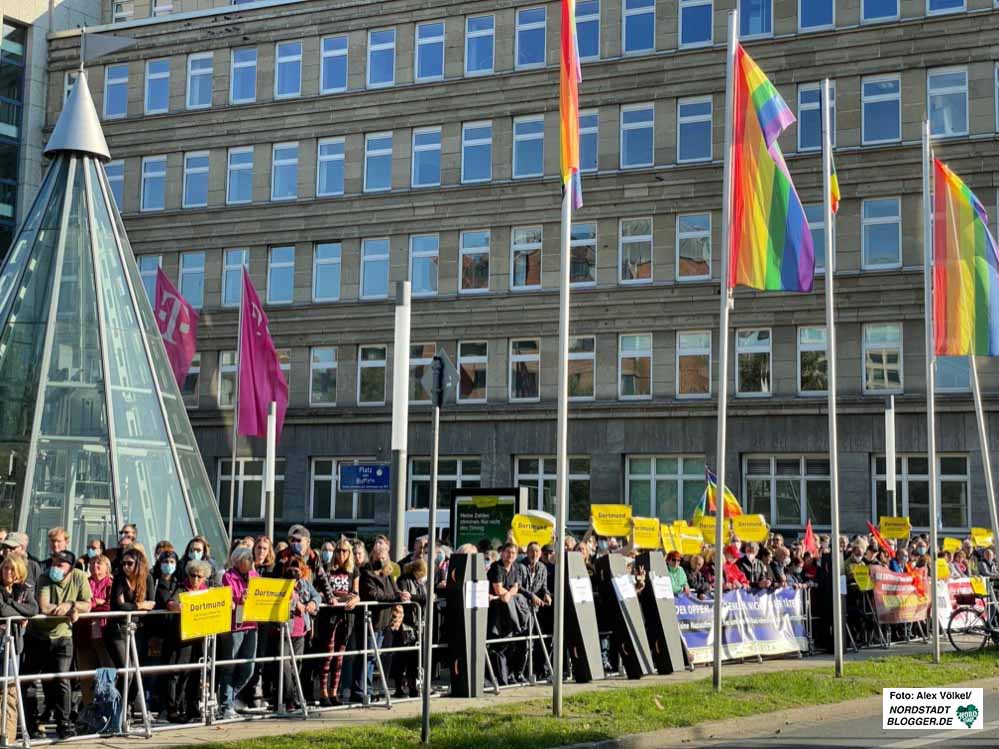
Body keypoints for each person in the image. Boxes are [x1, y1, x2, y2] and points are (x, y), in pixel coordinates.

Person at [24, 550, 92, 739]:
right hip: (38, 636)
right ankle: (31, 722)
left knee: (63, 679)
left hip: (63, 636)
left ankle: (64, 723)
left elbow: (88, 604)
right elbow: (44, 606)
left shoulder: (79, 576)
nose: (55, 567)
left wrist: (71, 605)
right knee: (29, 680)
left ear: (71, 568)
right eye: (54, 563)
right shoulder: (45, 577)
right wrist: (68, 610)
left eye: (60, 564)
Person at [354, 539, 405, 702]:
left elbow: (395, 591)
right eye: (379, 556)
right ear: (373, 556)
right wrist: (394, 598)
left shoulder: (388, 573)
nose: (382, 559)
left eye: (384, 556)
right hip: (371, 620)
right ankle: (361, 691)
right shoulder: (366, 572)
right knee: (367, 656)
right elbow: (373, 595)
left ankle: (368, 689)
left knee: (374, 657)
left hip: (384, 621)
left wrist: (402, 595)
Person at [106, 546, 155, 710]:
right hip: (117, 630)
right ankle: (118, 708)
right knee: (126, 671)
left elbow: (152, 603)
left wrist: (136, 606)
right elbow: (119, 605)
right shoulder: (119, 579)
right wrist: (139, 605)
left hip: (137, 629)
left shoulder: (147, 578)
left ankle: (128, 705)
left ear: (138, 564)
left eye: (129, 563)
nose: (125, 566)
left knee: (136, 671)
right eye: (123, 563)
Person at [161, 560, 211, 723]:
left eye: (199, 576)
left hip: (199, 639)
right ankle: (172, 709)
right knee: (176, 673)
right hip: (180, 638)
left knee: (194, 674)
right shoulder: (181, 588)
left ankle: (191, 707)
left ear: (204, 578)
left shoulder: (207, 591)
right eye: (192, 575)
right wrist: (176, 606)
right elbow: (170, 602)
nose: (195, 579)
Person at [217, 546, 259, 720]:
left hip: (251, 624)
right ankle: (226, 704)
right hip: (234, 626)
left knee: (249, 667)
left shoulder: (255, 576)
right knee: (230, 665)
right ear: (238, 561)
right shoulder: (228, 576)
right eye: (247, 558)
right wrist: (240, 599)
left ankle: (229, 697)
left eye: (251, 558)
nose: (251, 561)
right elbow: (228, 599)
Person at [0, 556, 37, 743]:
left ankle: (8, 736)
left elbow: (33, 610)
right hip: (2, 641)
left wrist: (12, 604)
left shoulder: (24, 589)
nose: (7, 572)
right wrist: (19, 614)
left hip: (13, 644)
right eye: (5, 568)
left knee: (10, 691)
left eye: (12, 569)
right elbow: (2, 610)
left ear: (19, 572)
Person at [318, 538, 358, 707]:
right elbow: (320, 591)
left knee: (339, 656)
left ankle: (334, 692)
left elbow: (356, 592)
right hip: (329, 615)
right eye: (338, 550)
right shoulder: (327, 569)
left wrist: (354, 599)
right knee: (328, 655)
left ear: (349, 553)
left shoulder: (353, 571)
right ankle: (323, 692)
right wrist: (333, 598)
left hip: (346, 616)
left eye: (344, 551)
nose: (341, 554)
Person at [486, 543, 529, 685]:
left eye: (513, 553)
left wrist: (508, 594)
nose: (510, 555)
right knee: (497, 645)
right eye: (508, 552)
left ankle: (508, 675)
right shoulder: (496, 567)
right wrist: (506, 594)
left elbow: (515, 587)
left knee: (511, 644)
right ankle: (498, 678)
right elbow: (498, 589)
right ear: (502, 553)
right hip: (496, 612)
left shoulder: (515, 567)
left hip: (509, 610)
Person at [282, 555, 320, 712]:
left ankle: (297, 697)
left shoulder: (305, 584)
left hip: (301, 630)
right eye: (291, 567)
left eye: (297, 567)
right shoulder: (282, 584)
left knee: (297, 665)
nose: (294, 571)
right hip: (285, 630)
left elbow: (317, 595)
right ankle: (289, 699)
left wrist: (313, 603)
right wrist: (295, 602)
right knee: (285, 665)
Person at [75, 553, 114, 705]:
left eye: (99, 563)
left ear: (107, 568)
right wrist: (95, 602)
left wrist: (91, 604)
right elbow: (76, 603)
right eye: (92, 564)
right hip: (84, 633)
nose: (94, 566)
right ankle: (89, 708)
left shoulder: (112, 584)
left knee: (106, 672)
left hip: (104, 633)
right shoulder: (83, 582)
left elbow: (110, 606)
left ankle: (106, 707)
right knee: (86, 675)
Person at [393, 558, 427, 697]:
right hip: (405, 624)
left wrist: (413, 596)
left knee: (414, 657)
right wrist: (415, 597)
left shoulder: (419, 583)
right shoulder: (403, 580)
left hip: (417, 624)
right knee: (402, 657)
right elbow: (406, 598)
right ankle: (400, 687)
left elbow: (424, 598)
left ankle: (413, 686)